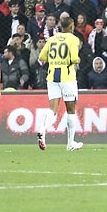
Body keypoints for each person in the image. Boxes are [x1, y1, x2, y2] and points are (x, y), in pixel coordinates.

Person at [37, 17, 83, 151]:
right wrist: (78, 59)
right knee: (71, 109)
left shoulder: (52, 39)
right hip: (67, 77)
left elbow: (41, 57)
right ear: (71, 26)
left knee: (52, 108)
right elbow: (74, 58)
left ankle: (42, 129)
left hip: (52, 76)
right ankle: (70, 143)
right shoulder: (74, 39)